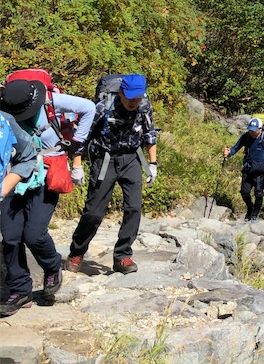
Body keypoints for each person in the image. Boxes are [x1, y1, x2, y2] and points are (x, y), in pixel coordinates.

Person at [0, 77, 95, 317]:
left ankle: (52, 266)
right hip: (13, 174)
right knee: (10, 237)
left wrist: (76, 145)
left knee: (34, 233)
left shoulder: (51, 101)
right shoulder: (5, 112)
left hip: (48, 171)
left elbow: (89, 108)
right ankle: (20, 290)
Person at [66, 74, 157, 276]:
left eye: (138, 97)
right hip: (105, 160)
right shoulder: (103, 107)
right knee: (94, 212)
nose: (134, 102)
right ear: (121, 92)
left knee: (133, 208)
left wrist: (152, 164)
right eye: (130, 97)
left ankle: (122, 256)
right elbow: (82, 135)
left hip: (132, 158)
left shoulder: (144, 105)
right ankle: (76, 252)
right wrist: (77, 165)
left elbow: (150, 133)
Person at [223, 117, 264, 222]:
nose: (252, 132)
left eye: (254, 130)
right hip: (248, 169)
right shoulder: (246, 137)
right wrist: (229, 153)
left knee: (259, 194)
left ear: (260, 129)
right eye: (250, 130)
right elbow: (236, 148)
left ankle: (255, 213)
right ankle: (250, 208)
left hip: (261, 172)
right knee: (244, 192)